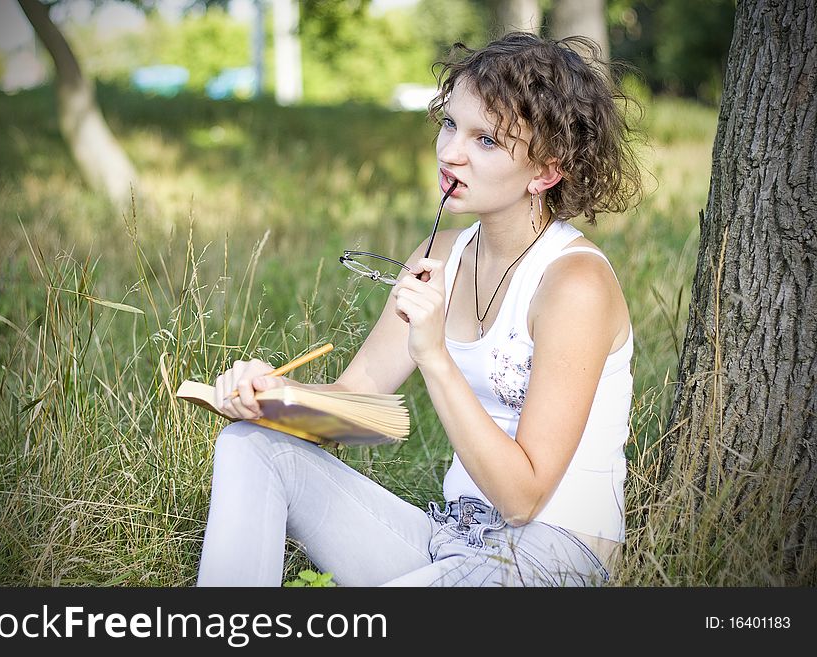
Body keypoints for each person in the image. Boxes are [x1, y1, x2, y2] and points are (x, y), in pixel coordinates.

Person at [196, 31, 642, 587]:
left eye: (486, 140)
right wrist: (272, 399)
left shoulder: (574, 283)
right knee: (252, 446)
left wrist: (433, 355)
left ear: (545, 172)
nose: (450, 152)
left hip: (553, 554)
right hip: (451, 537)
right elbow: (355, 398)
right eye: (451, 124)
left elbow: (524, 498)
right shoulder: (441, 256)